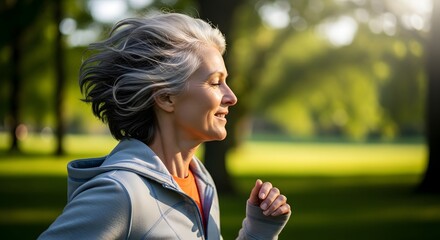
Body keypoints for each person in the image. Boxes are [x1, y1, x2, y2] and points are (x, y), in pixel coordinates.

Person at [38, 12, 291, 240]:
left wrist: (258, 231)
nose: (231, 96)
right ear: (166, 97)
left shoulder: (201, 182)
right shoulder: (121, 192)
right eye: (215, 83)